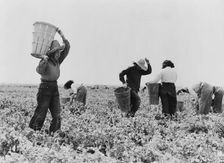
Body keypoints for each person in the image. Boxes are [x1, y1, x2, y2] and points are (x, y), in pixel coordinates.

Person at [29, 28, 70, 133]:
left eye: (59, 52)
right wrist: (44, 61)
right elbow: (39, 70)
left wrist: (62, 35)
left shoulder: (58, 61)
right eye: (57, 52)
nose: (58, 54)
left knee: (57, 113)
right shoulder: (46, 60)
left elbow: (67, 48)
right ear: (52, 53)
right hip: (45, 88)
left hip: (54, 87)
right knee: (41, 111)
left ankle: (54, 133)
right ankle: (33, 132)